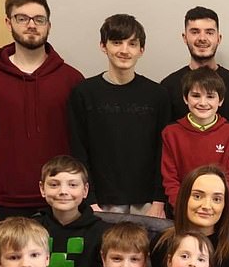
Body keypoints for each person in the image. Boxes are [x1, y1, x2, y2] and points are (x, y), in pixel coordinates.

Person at [68, 14, 170, 218]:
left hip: (148, 203)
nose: (124, 50)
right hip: (101, 203)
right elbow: (79, 151)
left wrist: (159, 200)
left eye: (132, 44)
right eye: (117, 42)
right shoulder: (83, 93)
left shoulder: (157, 94)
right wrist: (90, 200)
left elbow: (164, 151)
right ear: (103, 46)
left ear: (141, 50)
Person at [0, 0, 83, 220]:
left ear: (48, 25)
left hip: (63, 198)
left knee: (62, 257)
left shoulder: (71, 79)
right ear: (8, 22)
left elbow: (82, 141)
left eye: (39, 19)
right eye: (22, 18)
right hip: (10, 199)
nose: (31, 25)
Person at [161, 67, 229, 212]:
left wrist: (217, 208)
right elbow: (170, 180)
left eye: (210, 96)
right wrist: (186, 209)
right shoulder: (171, 133)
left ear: (221, 100)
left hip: (220, 213)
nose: (203, 103)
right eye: (196, 96)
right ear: (185, 98)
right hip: (183, 212)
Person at [34, 155, 110, 267]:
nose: (63, 191)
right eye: (54, 184)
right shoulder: (31, 229)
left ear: (85, 190)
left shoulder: (103, 233)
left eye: (73, 185)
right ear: (42, 188)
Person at [161, 6, 229, 124]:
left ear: (218, 38)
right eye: (195, 32)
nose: (202, 38)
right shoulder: (168, 87)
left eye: (209, 32)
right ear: (185, 37)